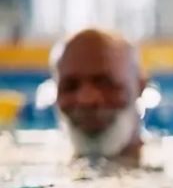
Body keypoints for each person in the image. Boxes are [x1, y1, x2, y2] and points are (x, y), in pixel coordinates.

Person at [52, 28, 146, 162]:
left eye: (105, 83)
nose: (86, 100)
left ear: (140, 86)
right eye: (70, 86)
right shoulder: (35, 164)